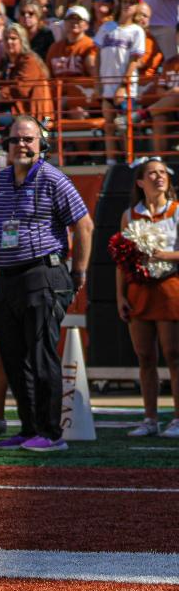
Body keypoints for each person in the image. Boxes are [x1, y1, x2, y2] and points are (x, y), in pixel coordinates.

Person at [0, 115, 94, 453]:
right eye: (16, 139)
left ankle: (50, 433)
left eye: (29, 139)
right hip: (8, 278)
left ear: (42, 143)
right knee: (14, 356)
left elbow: (84, 225)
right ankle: (28, 427)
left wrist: (79, 274)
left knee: (41, 355)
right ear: (6, 144)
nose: (22, 145)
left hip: (43, 273)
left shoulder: (52, 178)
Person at [117, 157, 179, 438]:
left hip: (170, 289)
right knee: (145, 357)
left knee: (174, 355)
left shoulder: (177, 211)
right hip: (139, 290)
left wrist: (166, 256)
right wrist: (120, 295)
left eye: (163, 173)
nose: (159, 177)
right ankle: (150, 418)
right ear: (140, 182)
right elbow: (122, 260)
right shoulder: (130, 215)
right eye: (152, 173)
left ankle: (177, 418)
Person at [95, 0, 145, 166]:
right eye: (124, 1)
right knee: (108, 124)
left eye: (131, 2)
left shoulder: (137, 31)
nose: (127, 5)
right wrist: (97, 81)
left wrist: (124, 85)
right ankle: (111, 160)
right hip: (107, 83)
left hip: (126, 87)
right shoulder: (106, 27)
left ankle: (129, 160)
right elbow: (98, 55)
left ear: (137, 7)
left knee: (124, 126)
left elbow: (134, 60)